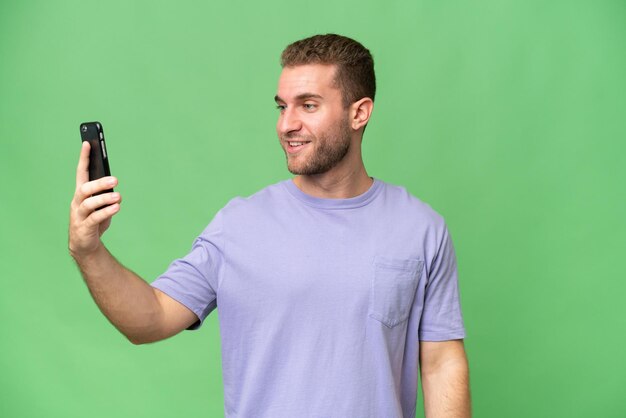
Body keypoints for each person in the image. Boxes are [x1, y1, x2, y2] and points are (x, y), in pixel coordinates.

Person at [69, 34, 471, 418]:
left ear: (359, 112)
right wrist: (89, 251)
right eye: (282, 107)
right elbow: (150, 318)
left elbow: (440, 364)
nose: (286, 125)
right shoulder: (239, 225)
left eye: (308, 106)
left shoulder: (421, 229)